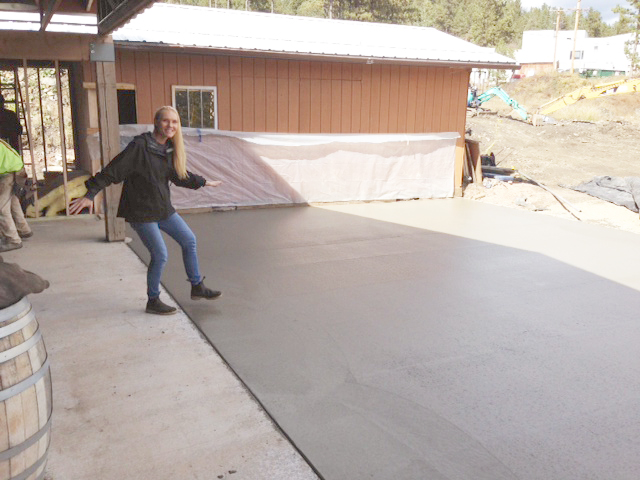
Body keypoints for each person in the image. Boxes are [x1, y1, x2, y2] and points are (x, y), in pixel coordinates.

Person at [69, 106, 223, 315]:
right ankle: (153, 300)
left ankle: (197, 286)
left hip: (162, 209)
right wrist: (90, 194)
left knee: (189, 240)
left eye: (175, 122)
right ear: (156, 122)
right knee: (160, 255)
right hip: (141, 211)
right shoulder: (139, 146)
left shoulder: (168, 149)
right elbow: (113, 171)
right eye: (166, 121)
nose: (170, 125)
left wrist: (204, 182)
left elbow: (179, 175)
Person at [0, 139, 32, 252]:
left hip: (8, 173)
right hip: (17, 171)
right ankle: (23, 229)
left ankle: (13, 240)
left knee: (1, 208)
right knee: (12, 201)